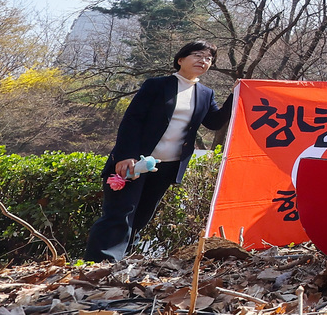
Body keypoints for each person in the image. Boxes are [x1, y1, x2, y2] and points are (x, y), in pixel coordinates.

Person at [84, 41, 235, 261]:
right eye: (197, 55)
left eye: (208, 58)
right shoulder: (156, 85)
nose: (203, 61)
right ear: (181, 59)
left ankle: (119, 262)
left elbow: (214, 122)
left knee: (142, 216)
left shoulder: (205, 93)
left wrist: (235, 94)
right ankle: (98, 264)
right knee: (120, 212)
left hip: (168, 166)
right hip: (135, 162)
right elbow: (132, 120)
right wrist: (126, 155)